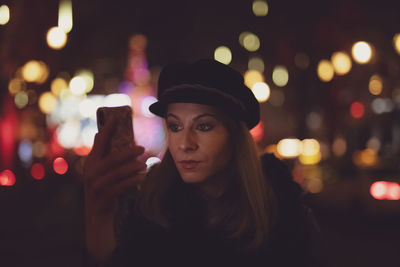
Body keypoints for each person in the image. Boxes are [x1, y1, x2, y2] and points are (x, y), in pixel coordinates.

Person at [83, 59, 323, 266]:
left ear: (234, 137)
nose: (185, 143)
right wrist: (100, 213)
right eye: (175, 126)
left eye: (204, 126)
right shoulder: (149, 206)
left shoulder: (281, 212)